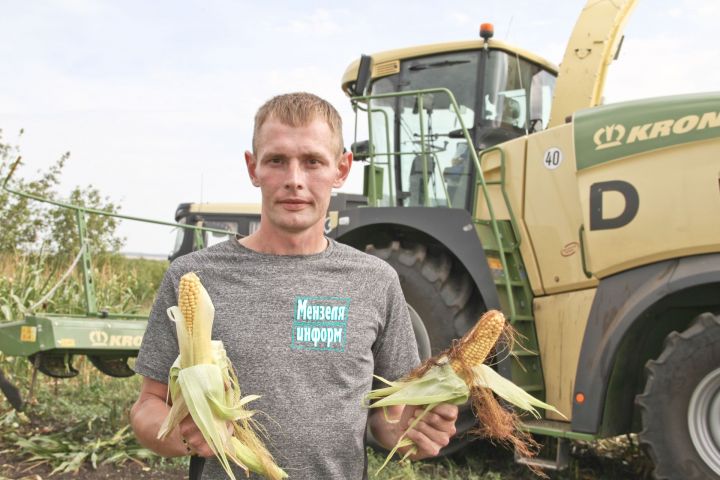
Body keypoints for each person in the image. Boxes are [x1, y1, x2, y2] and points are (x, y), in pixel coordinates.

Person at [130, 92, 458, 479]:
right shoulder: (194, 277)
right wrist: (185, 435)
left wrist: (411, 433)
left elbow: (388, 421)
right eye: (277, 161)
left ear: (342, 168)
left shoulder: (376, 282)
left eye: (313, 161)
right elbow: (149, 405)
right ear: (253, 168)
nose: (294, 180)